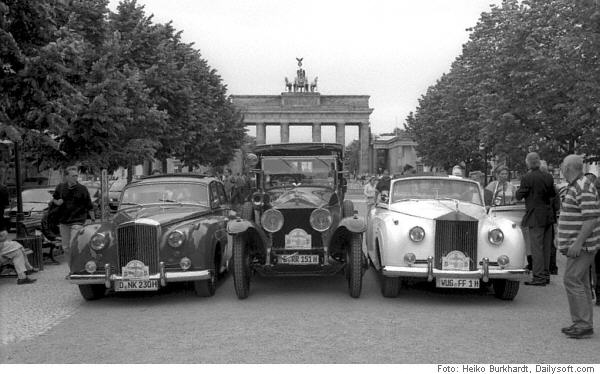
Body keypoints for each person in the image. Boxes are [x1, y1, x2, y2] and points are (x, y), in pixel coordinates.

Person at [557, 155, 600, 339]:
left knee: (572, 280)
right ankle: (583, 323)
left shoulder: (582, 187)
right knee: (581, 283)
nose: (561, 170)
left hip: (583, 247)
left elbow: (590, 219)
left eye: (562, 167)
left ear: (567, 168)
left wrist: (577, 242)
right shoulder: (577, 186)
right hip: (581, 245)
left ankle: (582, 324)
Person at [516, 152, 556, 286]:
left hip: (535, 216)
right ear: (538, 162)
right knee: (546, 247)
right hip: (548, 215)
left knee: (536, 248)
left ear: (528, 163)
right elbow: (552, 194)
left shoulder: (527, 177)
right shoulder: (548, 176)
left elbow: (519, 195)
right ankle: (545, 275)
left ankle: (538, 277)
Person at [52, 166, 95, 268]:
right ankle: (71, 269)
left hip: (78, 221)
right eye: (73, 176)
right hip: (64, 221)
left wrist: (93, 220)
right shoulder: (60, 187)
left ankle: (78, 267)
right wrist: (57, 202)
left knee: (73, 245)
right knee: (66, 247)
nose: (75, 178)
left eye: (76, 176)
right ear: (66, 177)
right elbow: (54, 199)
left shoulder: (82, 189)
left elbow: (89, 206)